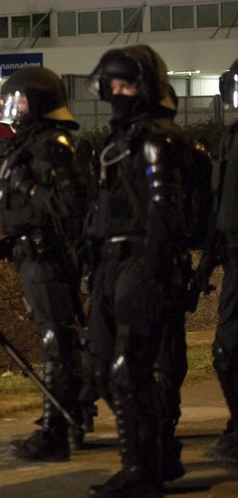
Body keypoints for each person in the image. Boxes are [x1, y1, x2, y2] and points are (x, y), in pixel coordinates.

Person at [83, 45, 189, 496]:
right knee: (103, 370)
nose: (117, 92)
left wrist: (154, 271)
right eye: (112, 85)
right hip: (111, 265)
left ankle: (142, 469)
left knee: (130, 370)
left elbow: (166, 214)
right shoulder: (116, 141)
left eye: (125, 84)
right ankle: (154, 459)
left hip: (141, 264)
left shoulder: (154, 139)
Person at [0, 67, 90, 462]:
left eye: (17, 100)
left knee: (56, 341)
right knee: (59, 340)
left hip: (48, 256)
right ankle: (73, 417)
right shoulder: (31, 143)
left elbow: (71, 205)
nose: (11, 108)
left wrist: (26, 187)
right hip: (33, 256)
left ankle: (57, 430)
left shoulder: (53, 144)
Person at [194, 57, 238, 468]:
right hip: (232, 256)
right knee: (226, 349)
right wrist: (208, 262)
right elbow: (218, 207)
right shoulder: (229, 140)